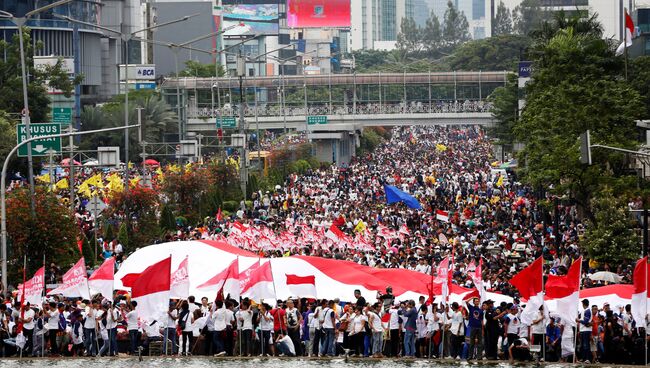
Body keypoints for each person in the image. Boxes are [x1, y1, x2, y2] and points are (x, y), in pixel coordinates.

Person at [577, 299, 592, 363]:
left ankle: (588, 359)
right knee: (583, 345)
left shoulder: (588, 311)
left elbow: (586, 322)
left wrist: (579, 320)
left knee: (586, 345)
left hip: (586, 330)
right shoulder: (584, 310)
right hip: (583, 330)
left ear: (583, 304)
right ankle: (584, 358)